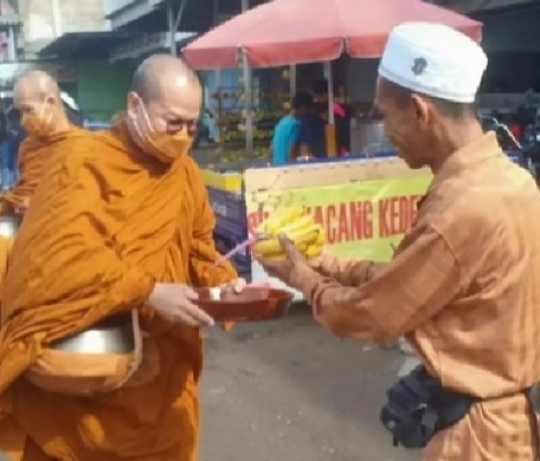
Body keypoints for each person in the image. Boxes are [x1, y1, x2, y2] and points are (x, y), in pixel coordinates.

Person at [258, 22, 540, 460]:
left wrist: (304, 280)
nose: (384, 130)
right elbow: (418, 283)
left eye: (385, 115)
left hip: (475, 440)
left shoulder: (461, 209)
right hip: (511, 420)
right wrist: (328, 262)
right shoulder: (513, 181)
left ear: (419, 110)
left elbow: (374, 314)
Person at [0, 54, 244, 460]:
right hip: (85, 376)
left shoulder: (184, 175)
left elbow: (201, 247)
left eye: (192, 126)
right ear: (135, 106)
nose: (183, 137)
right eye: (173, 123)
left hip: (161, 382)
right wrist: (146, 291)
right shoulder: (82, 163)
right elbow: (56, 259)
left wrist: (225, 285)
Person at [0, 70, 80, 216]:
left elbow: (87, 199)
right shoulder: (28, 147)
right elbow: (25, 190)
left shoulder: (85, 147)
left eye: (28, 110)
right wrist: (23, 202)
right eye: (20, 113)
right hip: (28, 227)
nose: (23, 121)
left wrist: (41, 204)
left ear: (51, 102)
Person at [271, 90, 313, 165]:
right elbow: (292, 148)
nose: (308, 112)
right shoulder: (296, 124)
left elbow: (272, 147)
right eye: (308, 109)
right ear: (302, 107)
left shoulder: (282, 122)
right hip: (287, 165)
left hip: (276, 164)